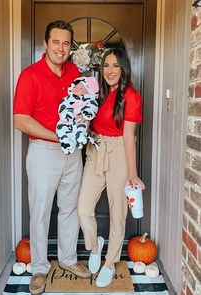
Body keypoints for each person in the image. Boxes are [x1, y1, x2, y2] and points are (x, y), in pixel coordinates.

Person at [13, 20, 91, 295]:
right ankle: (38, 268)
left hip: (73, 153)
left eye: (66, 43)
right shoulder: (30, 75)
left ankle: (68, 260)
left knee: (69, 208)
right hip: (44, 152)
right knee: (41, 211)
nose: (61, 48)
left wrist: (83, 121)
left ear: (71, 47)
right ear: (45, 44)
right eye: (56, 42)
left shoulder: (74, 72)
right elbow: (20, 120)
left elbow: (85, 104)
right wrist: (56, 136)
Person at [78, 48, 145, 288]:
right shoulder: (96, 93)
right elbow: (87, 120)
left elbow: (129, 137)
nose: (109, 71)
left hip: (118, 152)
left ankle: (109, 262)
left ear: (123, 68)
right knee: (83, 207)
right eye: (106, 65)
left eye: (115, 65)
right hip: (96, 150)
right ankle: (95, 246)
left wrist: (132, 172)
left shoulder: (132, 96)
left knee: (118, 213)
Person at [56, 76, 99, 155]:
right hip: (66, 121)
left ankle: (79, 139)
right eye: (75, 86)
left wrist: (87, 113)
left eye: (81, 88)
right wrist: (67, 115)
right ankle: (67, 145)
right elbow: (63, 107)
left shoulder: (89, 100)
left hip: (80, 120)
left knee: (81, 126)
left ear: (88, 92)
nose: (76, 88)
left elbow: (92, 107)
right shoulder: (68, 98)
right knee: (61, 130)